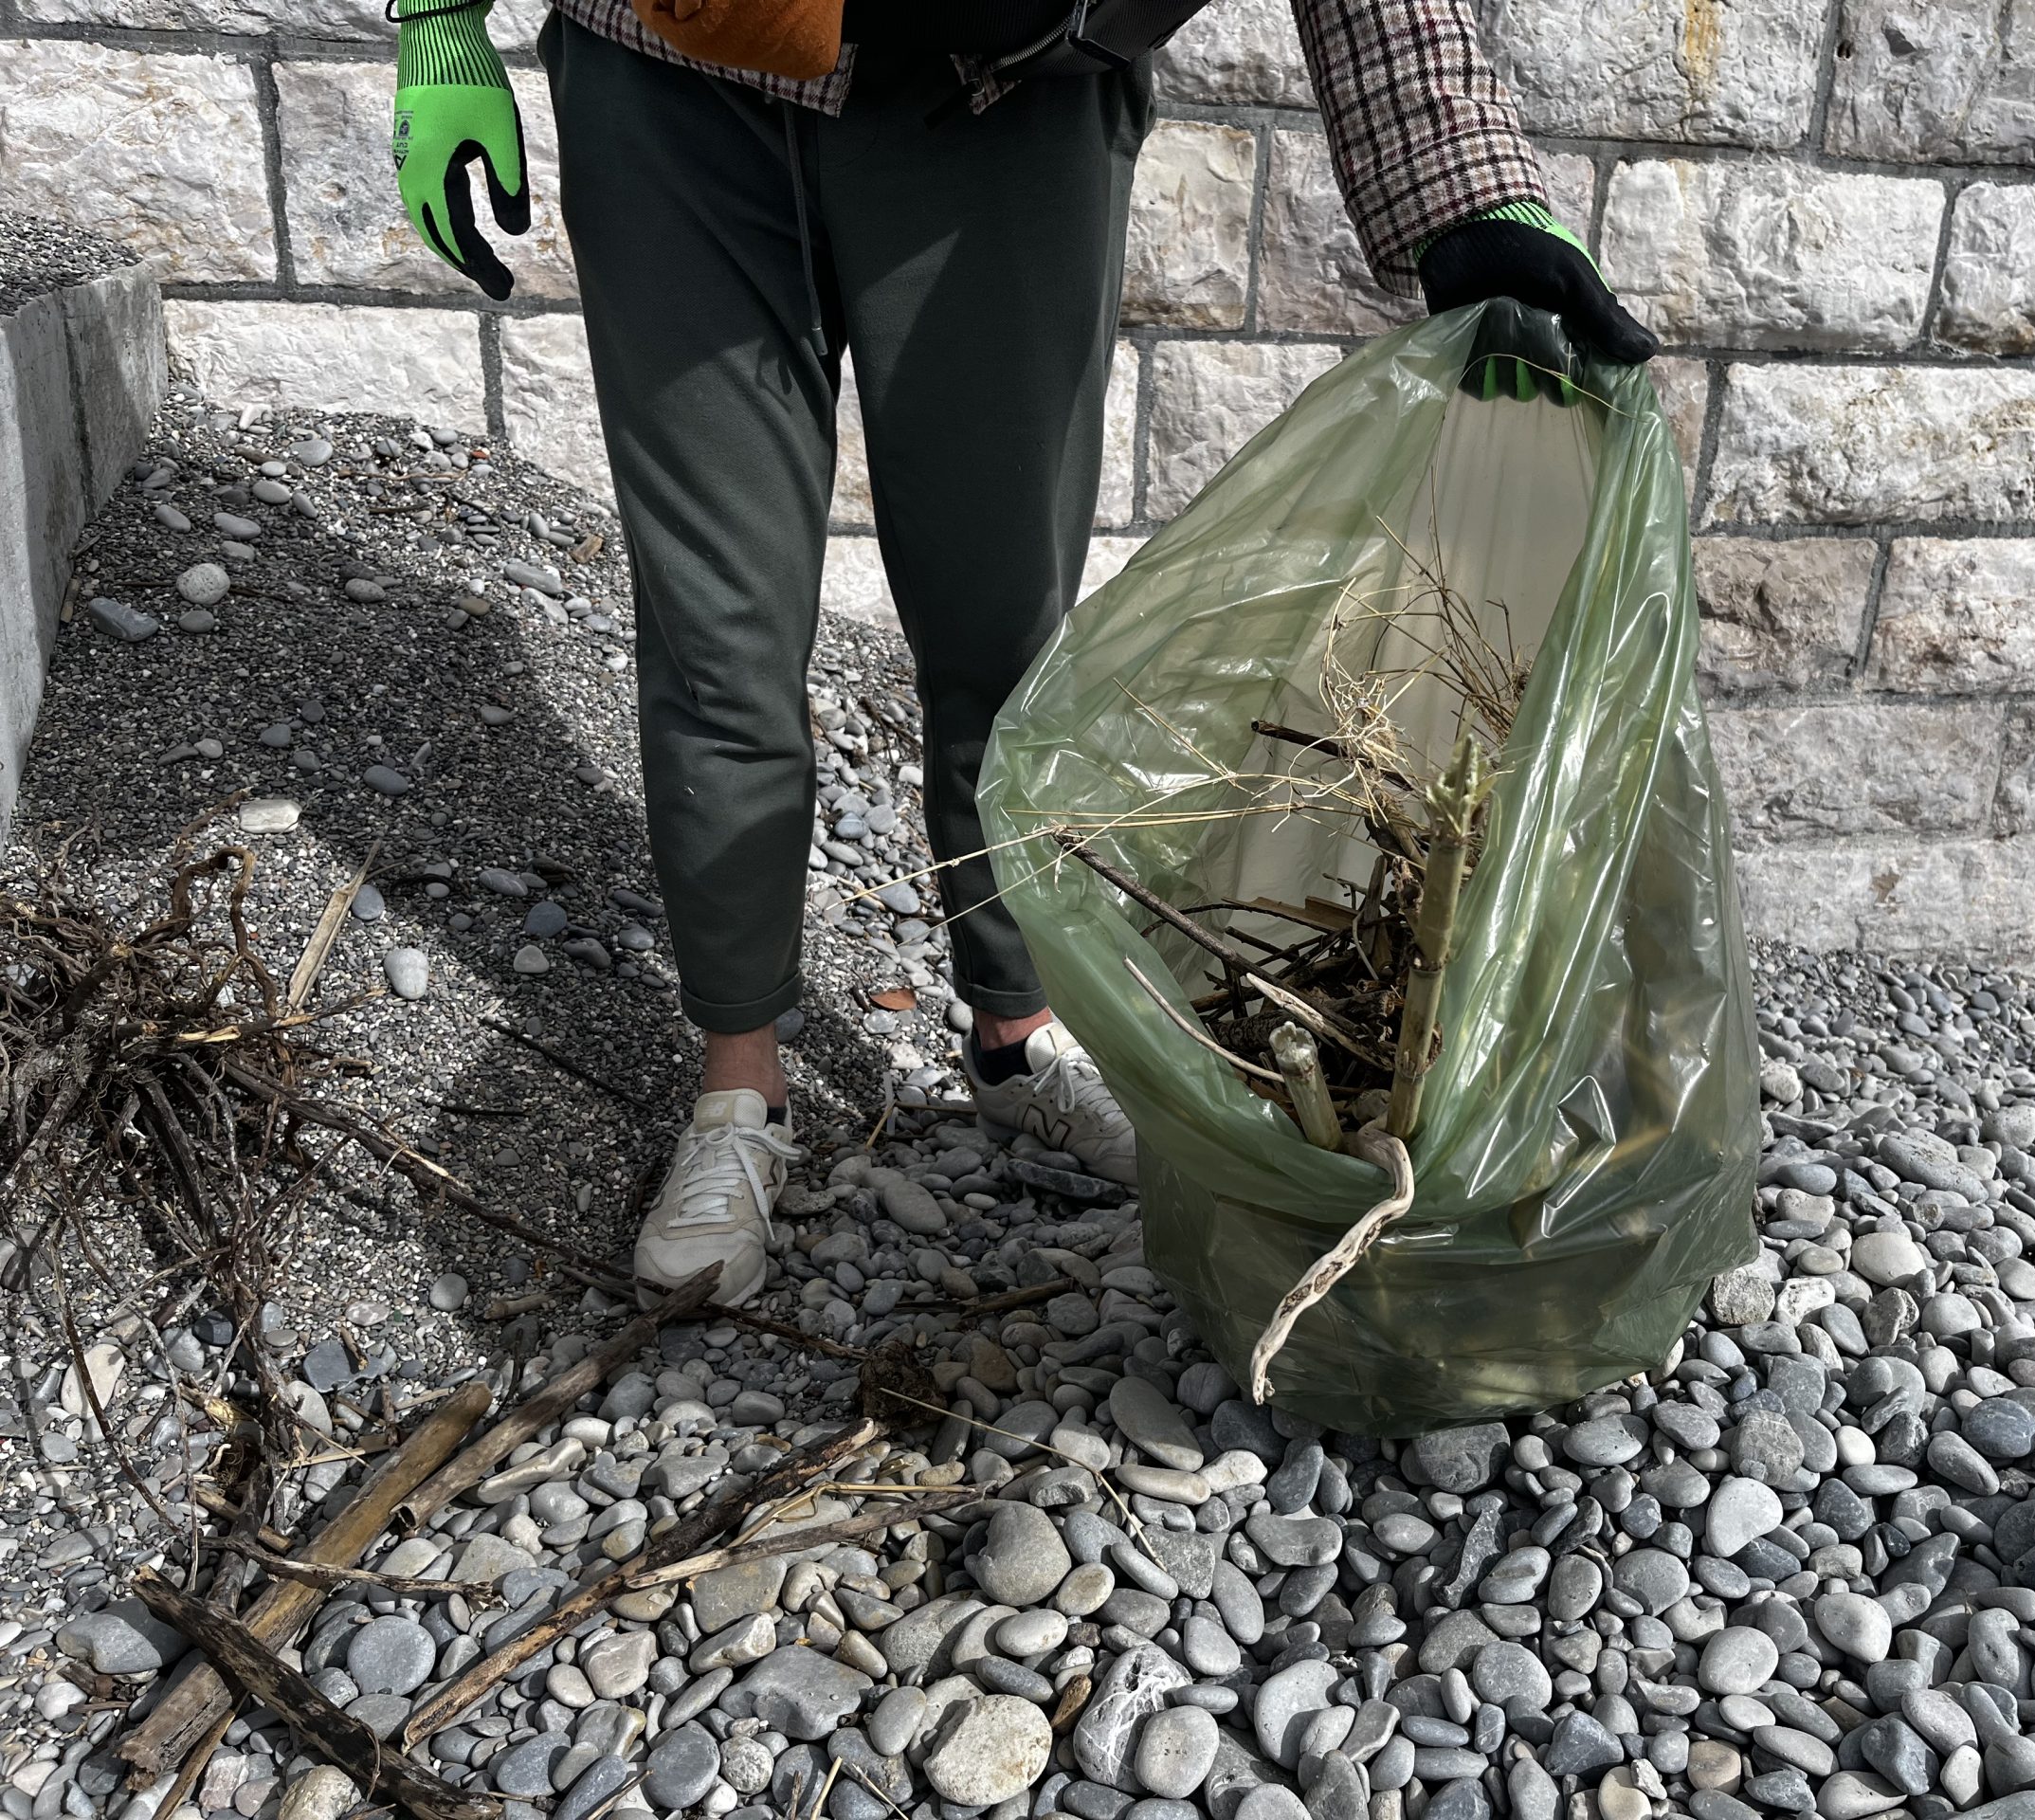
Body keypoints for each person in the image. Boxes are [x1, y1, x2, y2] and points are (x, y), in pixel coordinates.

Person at [390, 0, 1657, 1306]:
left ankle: (1016, 1034)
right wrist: (435, 13)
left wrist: (1470, 193)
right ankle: (738, 1091)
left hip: (999, 93)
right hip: (679, 75)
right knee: (720, 632)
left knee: (1005, 624)